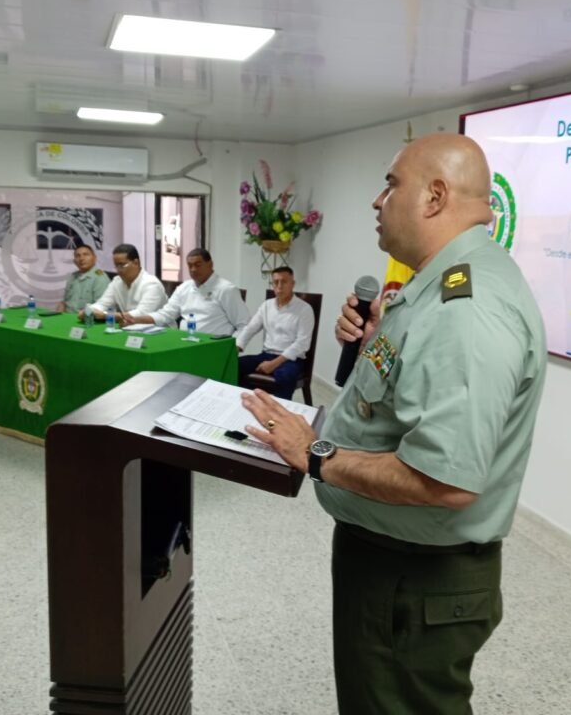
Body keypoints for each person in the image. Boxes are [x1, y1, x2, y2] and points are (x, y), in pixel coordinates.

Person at [240, 133, 547, 714]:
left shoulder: (468, 309)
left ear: (434, 197)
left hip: (413, 578)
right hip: (394, 563)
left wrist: (316, 455)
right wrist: (381, 338)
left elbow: (445, 480)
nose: (377, 202)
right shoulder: (437, 286)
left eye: (391, 185)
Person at [235, 266, 315, 400]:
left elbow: (302, 343)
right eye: (275, 282)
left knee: (285, 376)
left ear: (292, 284)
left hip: (291, 359)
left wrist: (274, 364)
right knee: (234, 365)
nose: (279, 286)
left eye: (284, 282)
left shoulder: (304, 309)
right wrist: (237, 348)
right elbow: (250, 328)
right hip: (266, 354)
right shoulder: (266, 306)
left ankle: (277, 415)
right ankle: (245, 404)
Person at [130, 248, 249, 336]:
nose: (193, 270)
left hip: (214, 345)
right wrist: (135, 320)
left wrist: (234, 347)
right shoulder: (184, 288)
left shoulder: (226, 289)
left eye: (198, 265)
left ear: (210, 264)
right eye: (190, 266)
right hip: (184, 342)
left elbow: (244, 324)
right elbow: (166, 315)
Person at [79, 243, 166, 324]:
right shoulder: (117, 282)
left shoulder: (151, 284)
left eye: (121, 265)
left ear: (136, 263)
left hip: (159, 331)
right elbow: (102, 304)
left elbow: (141, 314)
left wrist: (107, 315)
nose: (118, 270)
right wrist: (89, 311)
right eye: (116, 266)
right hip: (129, 327)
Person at [57, 244, 110, 313]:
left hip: (86, 319)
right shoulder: (73, 276)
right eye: (78, 256)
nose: (81, 258)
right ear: (74, 261)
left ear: (94, 258)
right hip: (67, 317)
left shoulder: (100, 277)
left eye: (86, 254)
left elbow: (101, 308)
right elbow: (65, 302)